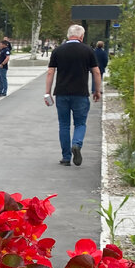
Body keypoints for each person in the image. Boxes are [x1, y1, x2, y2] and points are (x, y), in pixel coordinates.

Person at [44, 25, 102, 166]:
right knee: (80, 123)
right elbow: (96, 72)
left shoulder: (57, 51)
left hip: (62, 94)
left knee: (64, 125)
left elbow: (50, 72)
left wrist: (47, 92)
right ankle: (76, 144)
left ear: (68, 35)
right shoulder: (88, 50)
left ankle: (65, 157)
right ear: (81, 36)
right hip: (80, 93)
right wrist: (97, 91)